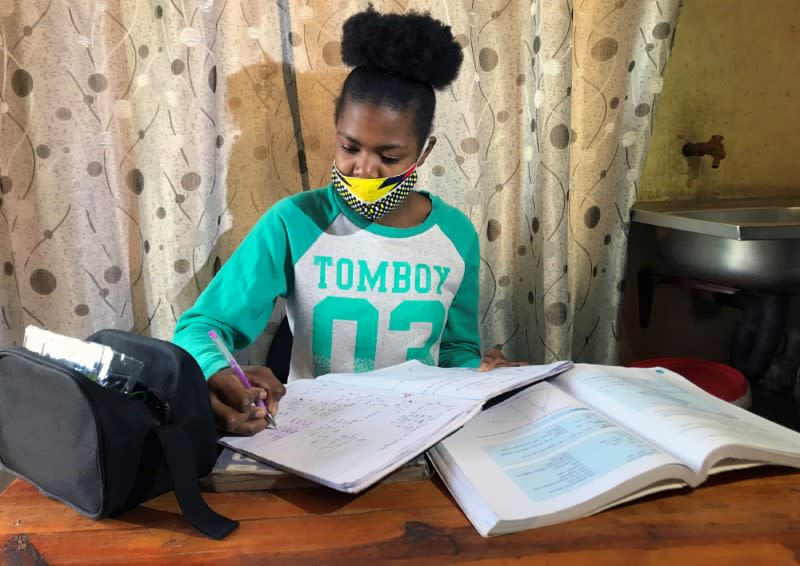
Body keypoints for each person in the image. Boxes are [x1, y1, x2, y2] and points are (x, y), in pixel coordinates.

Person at [173, 7, 523, 436]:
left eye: (389, 156)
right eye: (349, 147)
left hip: (419, 436)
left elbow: (456, 350)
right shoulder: (294, 222)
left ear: (423, 153)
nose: (364, 169)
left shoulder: (455, 236)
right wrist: (218, 370)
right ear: (336, 133)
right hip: (318, 436)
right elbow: (202, 326)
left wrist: (484, 373)